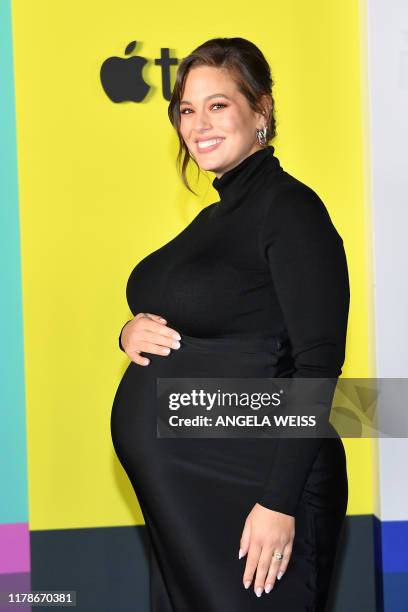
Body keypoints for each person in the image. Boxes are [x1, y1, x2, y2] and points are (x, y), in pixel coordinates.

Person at [111, 37, 350, 611]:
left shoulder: (290, 209)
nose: (199, 124)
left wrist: (278, 503)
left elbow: (318, 364)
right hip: (191, 498)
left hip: (257, 489)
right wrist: (128, 332)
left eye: (218, 105)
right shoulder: (216, 217)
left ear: (261, 110)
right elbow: (192, 310)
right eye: (187, 111)